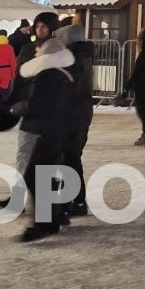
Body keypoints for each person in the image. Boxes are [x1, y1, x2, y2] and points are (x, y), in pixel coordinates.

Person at [0, 11, 60, 212]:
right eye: (38, 26)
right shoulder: (28, 49)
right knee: (24, 155)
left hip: (50, 113)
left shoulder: (59, 52)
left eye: (44, 26)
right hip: (29, 111)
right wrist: (9, 103)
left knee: (48, 161)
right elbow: (19, 79)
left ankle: (51, 207)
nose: (40, 30)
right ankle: (18, 200)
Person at [17, 33, 76, 242]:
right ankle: (53, 217)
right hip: (60, 130)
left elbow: (39, 105)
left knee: (34, 175)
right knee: (47, 175)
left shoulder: (48, 75)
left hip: (50, 131)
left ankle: (45, 222)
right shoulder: (64, 74)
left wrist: (20, 108)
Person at [55, 23, 94, 219]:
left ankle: (70, 201)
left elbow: (68, 90)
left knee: (67, 159)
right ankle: (76, 200)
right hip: (81, 114)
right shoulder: (83, 55)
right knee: (71, 158)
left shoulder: (71, 58)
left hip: (70, 115)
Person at [0, 30, 18, 100]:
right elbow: (13, 63)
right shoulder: (9, 47)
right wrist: (13, 75)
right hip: (6, 72)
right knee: (4, 92)